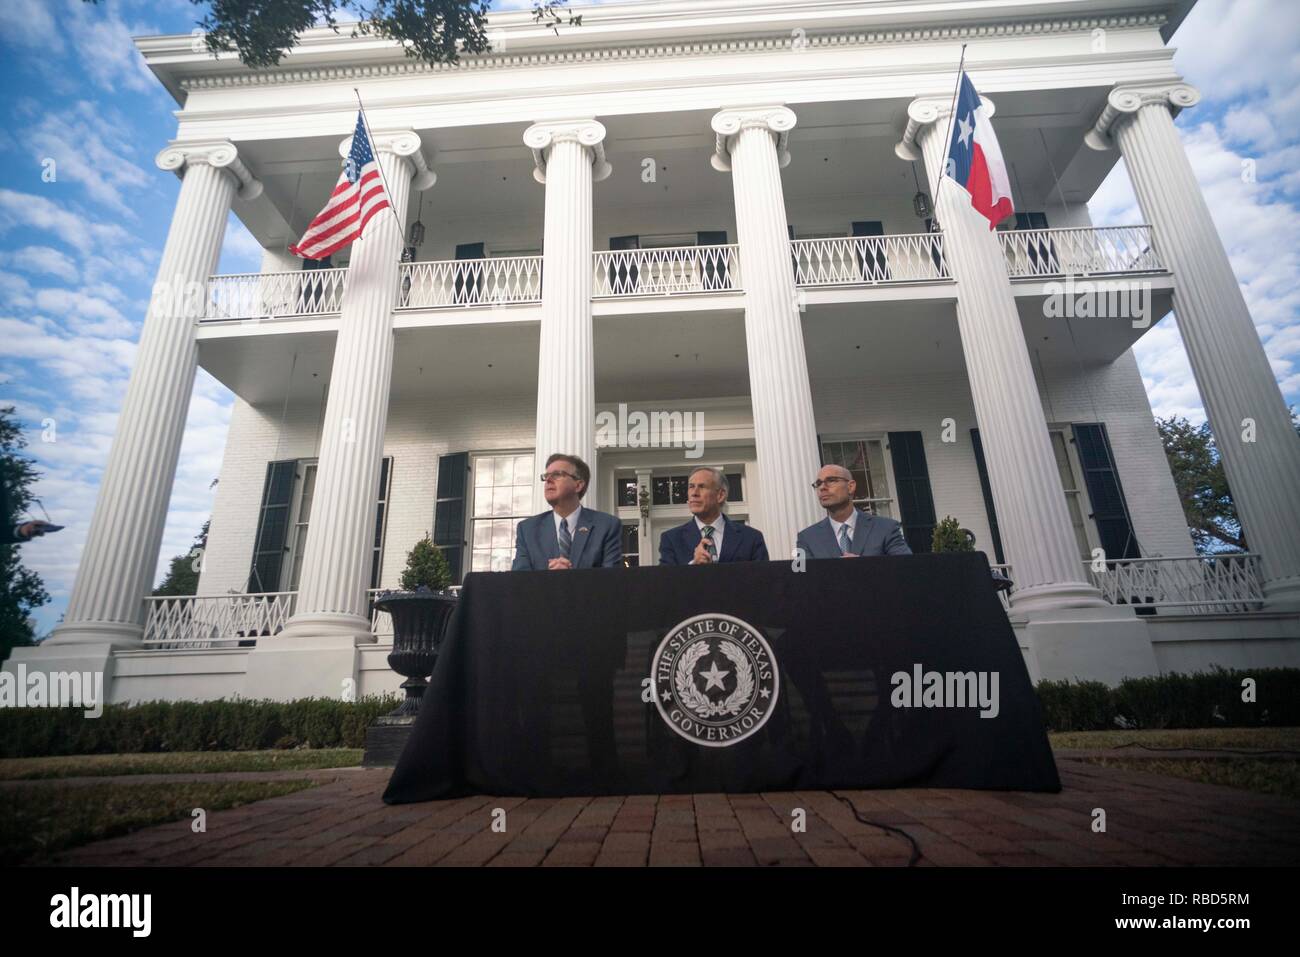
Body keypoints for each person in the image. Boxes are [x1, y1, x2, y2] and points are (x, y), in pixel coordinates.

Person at [511, 453, 622, 570]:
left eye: (557, 475)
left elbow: (612, 581)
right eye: (546, 476)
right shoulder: (527, 529)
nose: (548, 480)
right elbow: (520, 581)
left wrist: (570, 576)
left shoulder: (607, 526)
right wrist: (547, 578)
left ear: (578, 485)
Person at [796, 464, 912, 558]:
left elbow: (907, 570)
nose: (822, 487)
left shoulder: (886, 528)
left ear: (851, 486)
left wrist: (862, 568)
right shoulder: (807, 538)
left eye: (831, 480)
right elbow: (800, 580)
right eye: (818, 483)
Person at [659, 466, 768, 565]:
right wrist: (693, 565)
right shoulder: (671, 539)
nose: (694, 493)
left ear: (720, 495)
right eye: (691, 487)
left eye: (702, 487)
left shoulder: (751, 538)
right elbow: (665, 585)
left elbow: (764, 582)